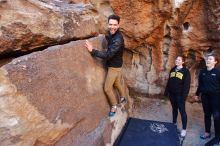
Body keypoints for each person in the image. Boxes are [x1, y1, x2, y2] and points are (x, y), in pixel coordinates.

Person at [85, 14, 126, 117]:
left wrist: (92, 50)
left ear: (118, 25)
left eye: (115, 25)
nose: (112, 27)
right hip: (117, 64)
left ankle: (114, 106)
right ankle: (123, 97)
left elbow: (108, 55)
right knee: (116, 84)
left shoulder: (118, 39)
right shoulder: (112, 34)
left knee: (107, 88)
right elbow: (109, 37)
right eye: (110, 24)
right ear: (108, 24)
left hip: (114, 67)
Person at [193, 54, 220, 139]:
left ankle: (217, 137)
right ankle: (207, 132)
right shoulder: (202, 72)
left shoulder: (218, 72)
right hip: (205, 97)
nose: (208, 60)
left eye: (210, 59)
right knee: (207, 115)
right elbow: (200, 85)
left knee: (216, 116)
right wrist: (197, 94)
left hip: (216, 98)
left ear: (215, 62)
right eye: (207, 59)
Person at [164, 56, 191, 137]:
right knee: (174, 109)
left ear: (183, 62)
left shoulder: (185, 71)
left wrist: (184, 96)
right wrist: (166, 92)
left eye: (179, 60)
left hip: (180, 95)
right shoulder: (172, 69)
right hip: (172, 94)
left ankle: (184, 129)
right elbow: (169, 81)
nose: (177, 60)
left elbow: (187, 85)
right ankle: (174, 123)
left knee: (182, 112)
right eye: (176, 59)